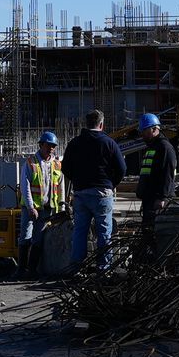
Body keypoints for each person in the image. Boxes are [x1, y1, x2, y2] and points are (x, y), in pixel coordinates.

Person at [61, 109, 125, 272]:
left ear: (86, 123)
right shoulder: (109, 143)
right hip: (102, 193)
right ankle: (104, 268)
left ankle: (76, 267)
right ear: (101, 124)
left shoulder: (75, 143)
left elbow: (65, 168)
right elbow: (122, 168)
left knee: (80, 231)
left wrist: (78, 180)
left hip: (81, 193)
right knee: (104, 232)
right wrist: (111, 184)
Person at [131, 112, 177, 257]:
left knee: (155, 233)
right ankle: (150, 258)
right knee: (148, 233)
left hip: (157, 201)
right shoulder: (152, 147)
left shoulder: (164, 147)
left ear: (154, 129)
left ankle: (158, 259)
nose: (142, 135)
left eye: (145, 131)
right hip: (149, 199)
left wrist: (162, 197)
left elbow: (168, 175)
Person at [20, 130, 65, 273]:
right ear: (41, 145)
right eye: (48, 145)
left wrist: (61, 207)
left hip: (46, 209)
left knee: (38, 239)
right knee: (25, 237)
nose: (51, 148)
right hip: (30, 208)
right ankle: (21, 270)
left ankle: (32, 271)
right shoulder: (31, 162)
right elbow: (25, 186)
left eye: (53, 146)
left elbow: (60, 188)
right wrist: (30, 207)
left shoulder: (57, 164)